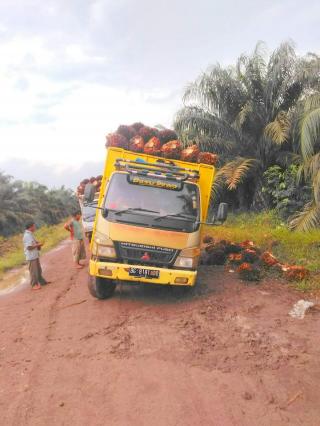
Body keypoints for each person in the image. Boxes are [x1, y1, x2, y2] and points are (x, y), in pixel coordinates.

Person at [23, 222, 49, 290]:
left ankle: (42, 282)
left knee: (38, 270)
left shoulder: (30, 234)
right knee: (33, 271)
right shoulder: (27, 235)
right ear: (30, 227)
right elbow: (29, 247)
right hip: (31, 256)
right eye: (34, 226)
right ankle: (34, 285)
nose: (35, 227)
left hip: (34, 255)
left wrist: (38, 243)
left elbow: (32, 243)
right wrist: (38, 245)